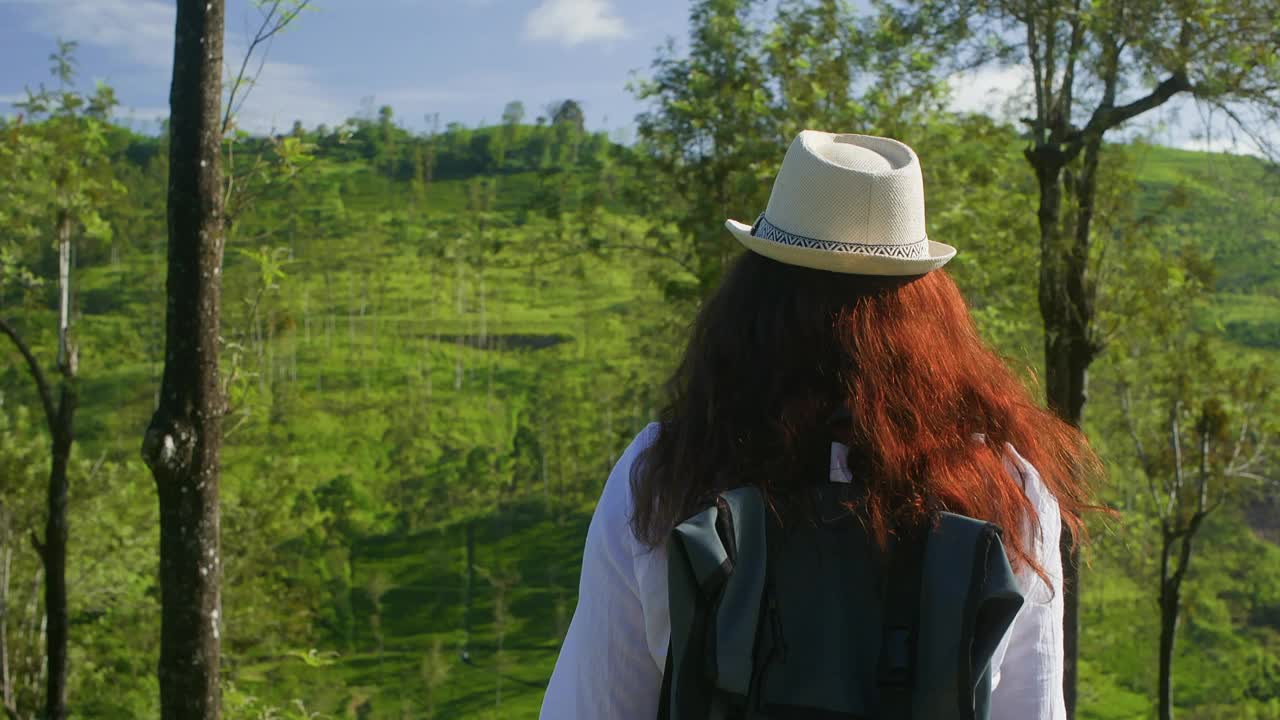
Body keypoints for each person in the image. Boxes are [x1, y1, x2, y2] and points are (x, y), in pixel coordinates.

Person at [540, 131, 1099, 720]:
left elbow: (591, 704)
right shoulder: (1006, 489)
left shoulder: (666, 470)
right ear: (930, 312)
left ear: (752, 300)